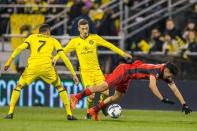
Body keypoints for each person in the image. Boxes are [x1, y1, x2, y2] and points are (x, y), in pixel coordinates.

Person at [53, 19, 132, 119]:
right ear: (78, 29)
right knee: (91, 96)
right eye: (83, 29)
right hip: (85, 73)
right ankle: (88, 114)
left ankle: (101, 105)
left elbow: (110, 45)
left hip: (97, 71)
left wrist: (123, 54)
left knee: (106, 93)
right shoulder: (74, 42)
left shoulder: (94, 38)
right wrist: (55, 58)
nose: (85, 30)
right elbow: (62, 51)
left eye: (86, 28)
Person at [70, 60, 192, 121]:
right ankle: (76, 97)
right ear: (166, 71)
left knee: (117, 97)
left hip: (129, 77)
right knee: (103, 87)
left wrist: (184, 104)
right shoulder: (155, 72)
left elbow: (175, 89)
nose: (170, 78)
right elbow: (152, 86)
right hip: (124, 71)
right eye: (170, 75)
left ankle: (94, 110)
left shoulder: (165, 71)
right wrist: (162, 99)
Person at [3, 24, 79, 120]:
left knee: (18, 86)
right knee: (60, 87)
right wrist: (73, 74)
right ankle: (69, 114)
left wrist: (9, 62)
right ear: (47, 32)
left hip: (32, 67)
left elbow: (19, 48)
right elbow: (64, 57)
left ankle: (10, 113)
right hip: (47, 68)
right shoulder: (53, 40)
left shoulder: (32, 37)